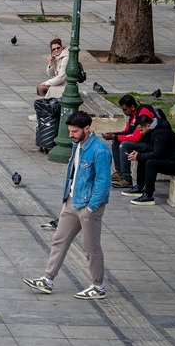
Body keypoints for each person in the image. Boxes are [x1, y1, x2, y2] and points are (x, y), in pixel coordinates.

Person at [24, 111, 111, 300]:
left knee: (91, 248)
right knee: (59, 240)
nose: (70, 135)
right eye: (70, 131)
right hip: (72, 201)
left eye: (74, 131)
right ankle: (48, 280)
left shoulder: (100, 150)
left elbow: (103, 183)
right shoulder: (77, 145)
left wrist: (91, 208)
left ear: (87, 129)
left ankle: (98, 286)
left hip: (89, 206)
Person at [124, 113, 175, 206]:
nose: (142, 133)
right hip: (170, 159)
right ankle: (139, 187)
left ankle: (148, 195)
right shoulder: (154, 131)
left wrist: (139, 156)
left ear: (148, 125)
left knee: (151, 163)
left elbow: (158, 153)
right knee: (143, 157)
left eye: (142, 130)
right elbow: (150, 147)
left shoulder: (161, 133)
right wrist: (139, 153)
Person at [102, 94, 158, 189]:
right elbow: (127, 131)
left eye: (125, 109)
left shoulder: (144, 113)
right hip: (143, 140)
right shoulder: (132, 114)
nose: (124, 112)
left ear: (132, 107)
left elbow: (135, 137)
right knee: (115, 142)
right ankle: (120, 172)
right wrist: (114, 135)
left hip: (150, 143)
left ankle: (127, 179)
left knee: (124, 145)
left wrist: (115, 136)